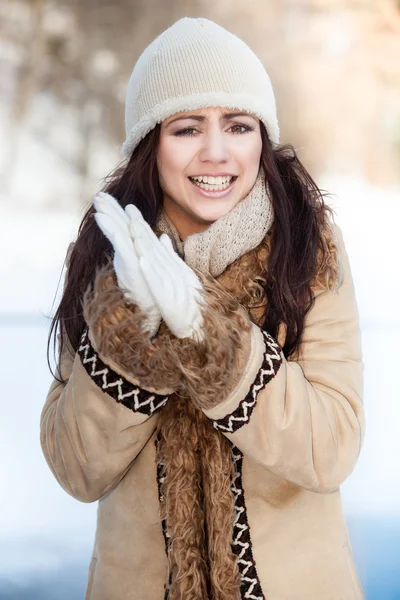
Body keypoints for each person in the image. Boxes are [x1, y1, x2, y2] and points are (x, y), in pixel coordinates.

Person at [40, 16, 365, 600]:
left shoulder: (310, 250)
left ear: (260, 138)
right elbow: (76, 469)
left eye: (238, 125)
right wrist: (128, 339)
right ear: (151, 144)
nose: (216, 153)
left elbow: (333, 448)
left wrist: (213, 341)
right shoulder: (105, 261)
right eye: (187, 128)